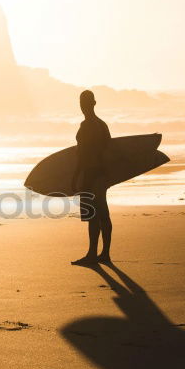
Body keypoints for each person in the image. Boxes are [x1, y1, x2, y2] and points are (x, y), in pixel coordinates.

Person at [70, 90, 112, 266]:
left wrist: (75, 176)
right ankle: (103, 254)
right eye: (81, 103)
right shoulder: (102, 125)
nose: (83, 106)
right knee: (101, 212)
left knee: (95, 214)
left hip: (91, 173)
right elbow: (109, 149)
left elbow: (83, 154)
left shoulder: (87, 125)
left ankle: (94, 254)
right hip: (100, 173)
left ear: (93, 103)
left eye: (85, 103)